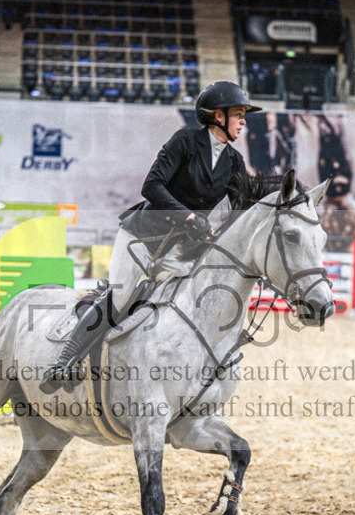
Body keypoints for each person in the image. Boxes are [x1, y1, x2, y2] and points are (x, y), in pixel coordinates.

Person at [39, 81, 262, 394]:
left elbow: (241, 211)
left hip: (183, 248)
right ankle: (64, 361)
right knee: (119, 299)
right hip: (142, 239)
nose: (243, 121)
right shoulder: (185, 141)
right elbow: (152, 186)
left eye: (243, 115)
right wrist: (187, 215)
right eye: (238, 114)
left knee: (207, 294)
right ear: (218, 116)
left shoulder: (234, 161)